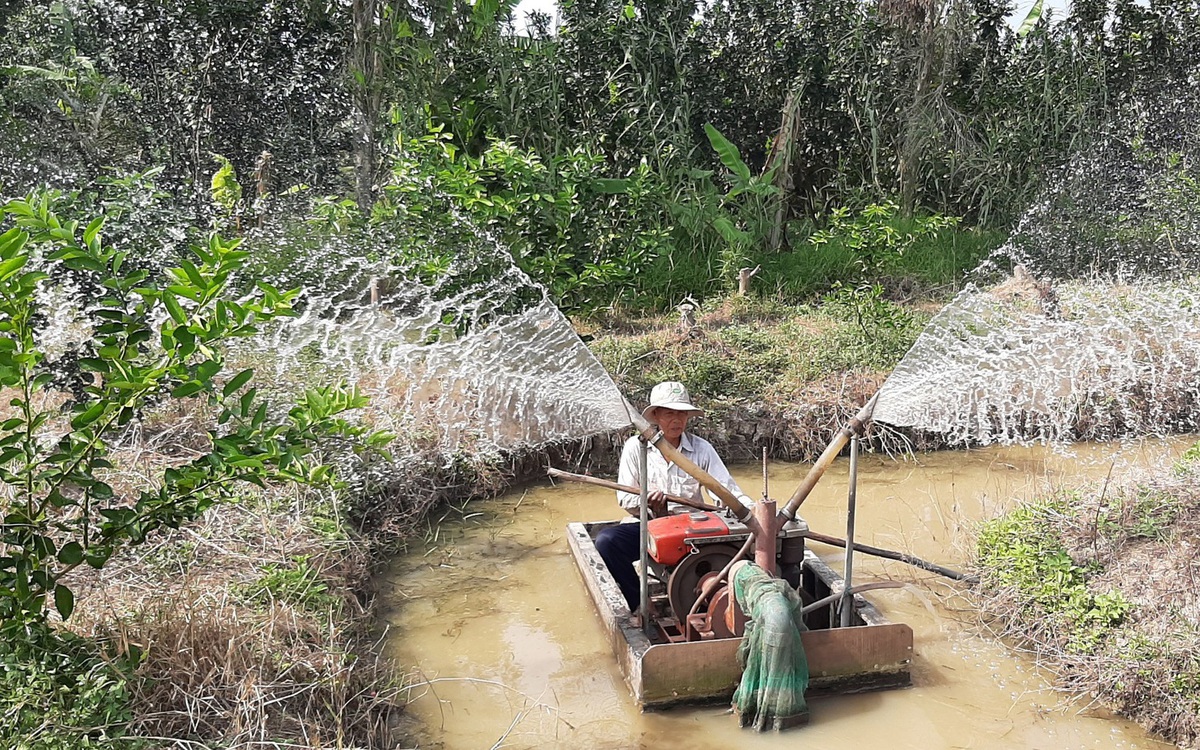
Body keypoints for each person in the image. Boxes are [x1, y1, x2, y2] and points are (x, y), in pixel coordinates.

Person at [594, 381, 754, 613]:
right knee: (607, 542)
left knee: (742, 547)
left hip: (693, 529)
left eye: (682, 413)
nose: (677, 420)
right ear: (656, 415)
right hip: (649, 525)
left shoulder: (702, 449)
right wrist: (649, 504)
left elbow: (726, 491)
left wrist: (750, 509)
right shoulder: (635, 448)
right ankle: (639, 601)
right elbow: (626, 500)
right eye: (670, 413)